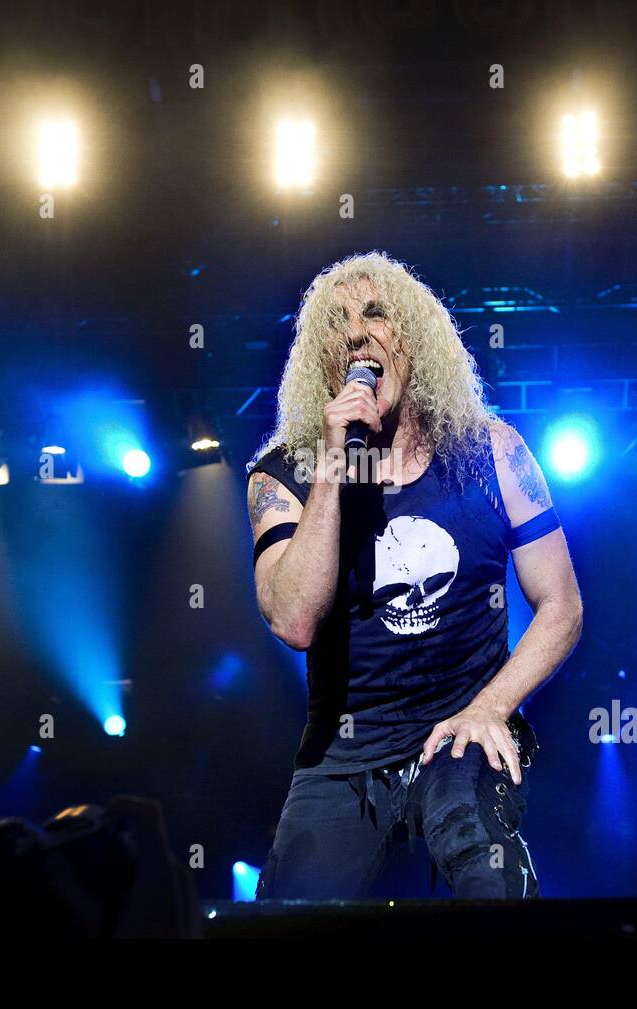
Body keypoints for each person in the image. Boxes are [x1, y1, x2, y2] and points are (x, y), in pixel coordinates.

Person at [246, 252, 582, 899]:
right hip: (343, 756)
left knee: (485, 863)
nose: (356, 334)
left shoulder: (493, 453)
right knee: (286, 915)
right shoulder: (283, 477)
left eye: (375, 314)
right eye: (337, 325)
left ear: (414, 338)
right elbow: (293, 619)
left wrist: (490, 708)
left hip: (462, 729)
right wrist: (333, 466)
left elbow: (561, 605)